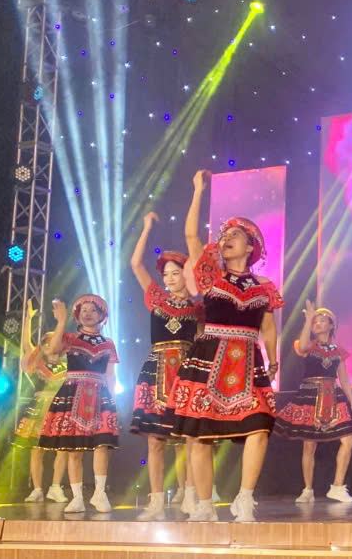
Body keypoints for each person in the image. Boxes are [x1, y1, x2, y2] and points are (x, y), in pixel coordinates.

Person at [170, 169, 281, 523]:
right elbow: (190, 234)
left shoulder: (264, 285)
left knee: (260, 426)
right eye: (224, 234)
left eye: (235, 234)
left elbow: (268, 325)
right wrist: (198, 190)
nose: (226, 238)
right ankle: (204, 504)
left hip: (248, 361)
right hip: (209, 355)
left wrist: (274, 358)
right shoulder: (211, 276)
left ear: (251, 246)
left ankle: (245, 498)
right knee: (201, 434)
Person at [129, 212, 201, 520]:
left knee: (186, 440)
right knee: (156, 441)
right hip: (156, 369)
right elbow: (136, 265)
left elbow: (201, 339)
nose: (170, 278)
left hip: (185, 371)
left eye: (176, 273)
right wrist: (145, 227)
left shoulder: (198, 308)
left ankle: (188, 493)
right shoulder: (156, 298)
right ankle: (156, 500)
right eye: (167, 274)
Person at [38, 296, 120, 513]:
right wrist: (61, 321)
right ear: (77, 314)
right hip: (73, 392)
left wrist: (112, 401)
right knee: (74, 448)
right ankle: (76, 497)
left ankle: (99, 493)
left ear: (102, 315)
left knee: (101, 445)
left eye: (93, 310)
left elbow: (111, 375)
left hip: (99, 393)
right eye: (83, 309)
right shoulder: (70, 337)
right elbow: (52, 350)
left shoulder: (108, 343)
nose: (88, 313)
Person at [275, 301, 352, 503]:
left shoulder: (338, 351)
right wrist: (307, 320)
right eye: (315, 321)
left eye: (322, 320)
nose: (318, 324)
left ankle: (338, 487)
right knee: (309, 445)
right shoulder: (308, 345)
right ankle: (308, 489)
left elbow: (344, 379)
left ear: (331, 325)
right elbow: (302, 346)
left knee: (349, 439)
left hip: (333, 394)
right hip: (310, 394)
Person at [14, 301, 68, 503]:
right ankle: (37, 489)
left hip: (61, 407)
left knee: (62, 448)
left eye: (54, 341)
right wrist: (28, 319)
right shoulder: (38, 363)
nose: (50, 345)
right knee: (37, 450)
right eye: (46, 342)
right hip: (39, 408)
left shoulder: (68, 363)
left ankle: (55, 487)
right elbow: (26, 344)